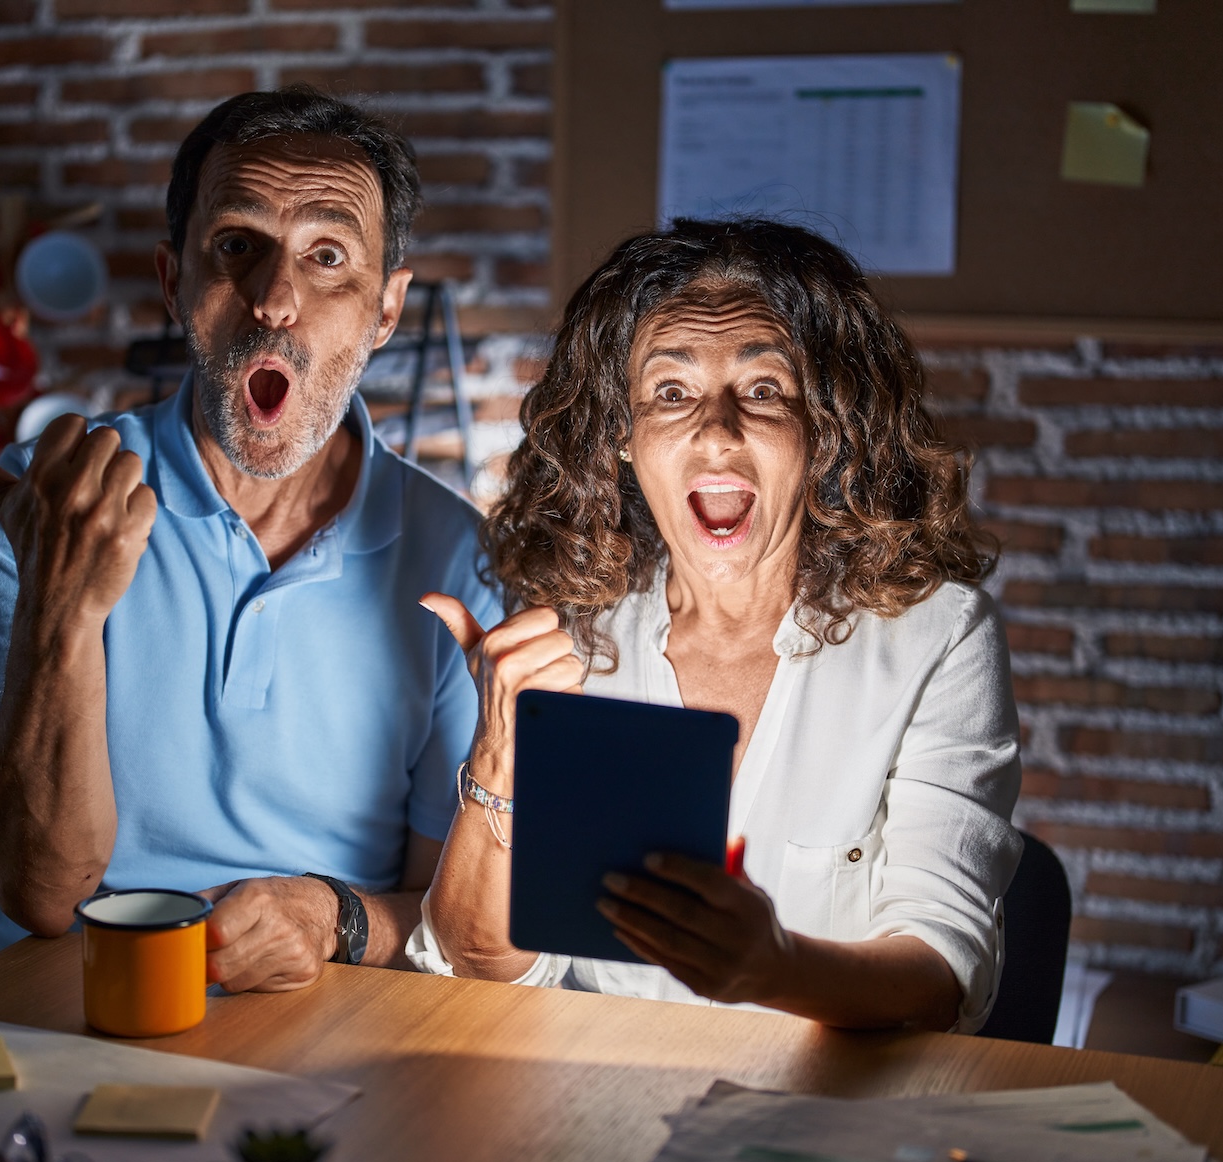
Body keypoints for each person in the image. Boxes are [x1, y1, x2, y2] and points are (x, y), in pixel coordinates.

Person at [0, 86, 497, 986]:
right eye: (237, 247)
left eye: (326, 256)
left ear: (386, 311)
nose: (275, 299)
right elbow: (37, 891)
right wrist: (62, 606)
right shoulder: (55, 501)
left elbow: (441, 917)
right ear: (173, 281)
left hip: (316, 1013)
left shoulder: (458, 557)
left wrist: (330, 914)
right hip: (53, 1005)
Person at [412, 218, 1021, 1033]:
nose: (716, 429)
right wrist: (499, 757)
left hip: (825, 1117)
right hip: (592, 1107)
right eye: (670, 392)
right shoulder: (574, 636)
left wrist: (773, 968)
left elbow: (940, 977)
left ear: (826, 429)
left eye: (763, 390)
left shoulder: (937, 639)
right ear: (622, 438)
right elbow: (472, 966)